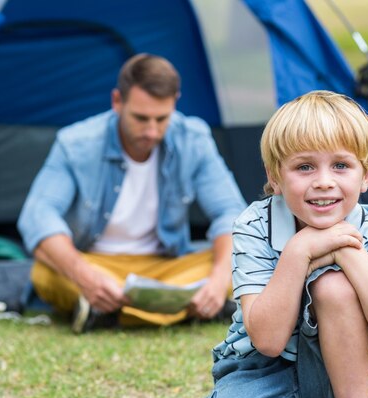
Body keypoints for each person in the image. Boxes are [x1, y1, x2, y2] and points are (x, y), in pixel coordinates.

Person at [200, 91, 368, 398]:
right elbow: (268, 341)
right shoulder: (254, 225)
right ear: (275, 176)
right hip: (260, 372)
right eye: (304, 167)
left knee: (335, 287)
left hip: (340, 374)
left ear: (367, 175)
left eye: (341, 165)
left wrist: (347, 251)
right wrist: (298, 251)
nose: (324, 182)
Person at [18, 53, 246, 333]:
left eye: (162, 119)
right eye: (140, 118)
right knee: (45, 272)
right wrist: (83, 274)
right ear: (117, 102)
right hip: (98, 265)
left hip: (166, 268)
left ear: (175, 102)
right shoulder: (75, 143)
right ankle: (181, 308)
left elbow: (231, 212)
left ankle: (109, 311)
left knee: (240, 263)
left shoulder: (194, 139)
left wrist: (218, 279)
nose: (151, 131)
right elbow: (38, 215)